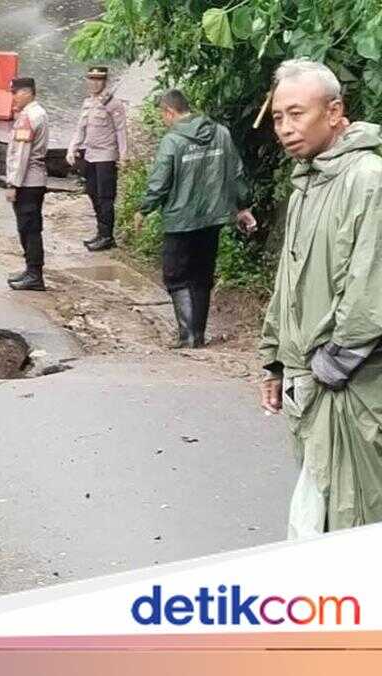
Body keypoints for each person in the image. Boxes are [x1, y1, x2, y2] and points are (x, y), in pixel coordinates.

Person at [258, 59, 382, 538]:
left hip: (351, 384)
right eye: (277, 118)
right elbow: (290, 282)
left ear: (334, 112)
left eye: (296, 114)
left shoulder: (367, 178)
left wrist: (331, 366)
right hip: (308, 381)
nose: (286, 129)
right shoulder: (308, 181)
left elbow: (370, 286)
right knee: (319, 516)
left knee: (354, 517)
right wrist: (273, 361)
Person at [133, 89, 254, 347]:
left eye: (163, 116)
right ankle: (197, 334)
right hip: (212, 218)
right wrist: (242, 206)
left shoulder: (173, 141)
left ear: (169, 112)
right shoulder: (221, 133)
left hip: (180, 220)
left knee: (176, 275)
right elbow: (236, 172)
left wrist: (144, 208)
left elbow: (160, 181)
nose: (164, 121)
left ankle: (187, 336)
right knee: (202, 274)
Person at [66, 65, 128, 252]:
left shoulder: (113, 104)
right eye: (91, 79)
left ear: (105, 81)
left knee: (105, 197)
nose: (94, 83)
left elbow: (121, 130)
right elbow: (80, 128)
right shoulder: (88, 103)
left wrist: (124, 156)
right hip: (90, 155)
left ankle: (107, 236)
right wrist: (72, 148)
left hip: (106, 156)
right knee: (92, 193)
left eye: (98, 80)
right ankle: (100, 232)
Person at [4, 77, 49, 291]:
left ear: (27, 93)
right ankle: (30, 271)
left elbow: (21, 155)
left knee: (29, 229)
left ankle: (34, 275)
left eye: (15, 93)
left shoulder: (29, 117)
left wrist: (13, 184)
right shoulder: (36, 113)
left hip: (27, 182)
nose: (13, 97)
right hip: (33, 180)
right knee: (29, 227)